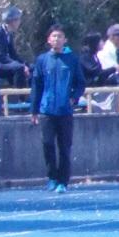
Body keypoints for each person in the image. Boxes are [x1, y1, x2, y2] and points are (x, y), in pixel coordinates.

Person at [30, 24, 85, 193]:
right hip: (47, 109)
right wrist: (34, 109)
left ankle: (63, 181)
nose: (57, 39)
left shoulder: (72, 59)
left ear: (65, 40)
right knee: (47, 144)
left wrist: (73, 98)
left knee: (64, 146)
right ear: (48, 40)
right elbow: (36, 85)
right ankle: (52, 177)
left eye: (60, 36)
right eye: (54, 36)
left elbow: (80, 82)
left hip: (64, 111)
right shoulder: (42, 60)